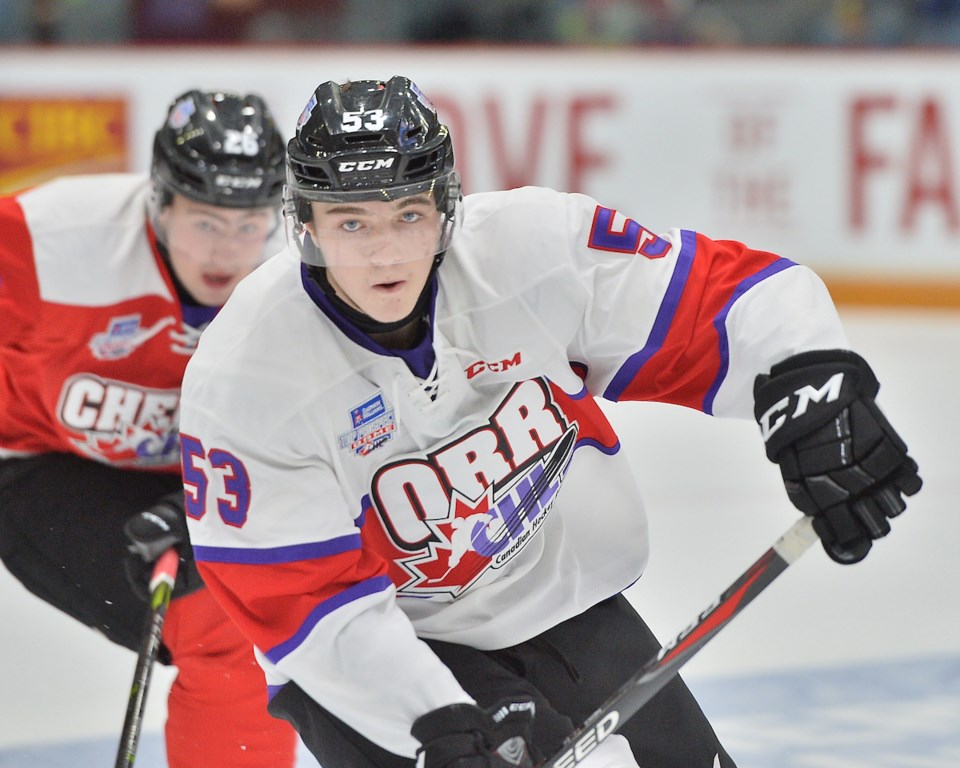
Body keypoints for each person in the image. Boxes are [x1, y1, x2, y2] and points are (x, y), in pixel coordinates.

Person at [177, 76, 922, 768]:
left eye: (409, 212)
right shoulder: (247, 378)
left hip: (561, 602)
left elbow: (731, 299)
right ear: (304, 224)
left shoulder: (528, 253)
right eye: (351, 221)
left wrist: (814, 395)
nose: (384, 250)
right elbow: (306, 611)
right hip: (383, 644)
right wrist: (435, 717)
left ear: (444, 205)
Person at [0, 89, 298, 768]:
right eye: (204, 223)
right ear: (159, 203)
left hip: (208, 482)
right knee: (229, 623)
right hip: (44, 466)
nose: (227, 250)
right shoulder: (51, 242)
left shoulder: (302, 279)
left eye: (249, 223)